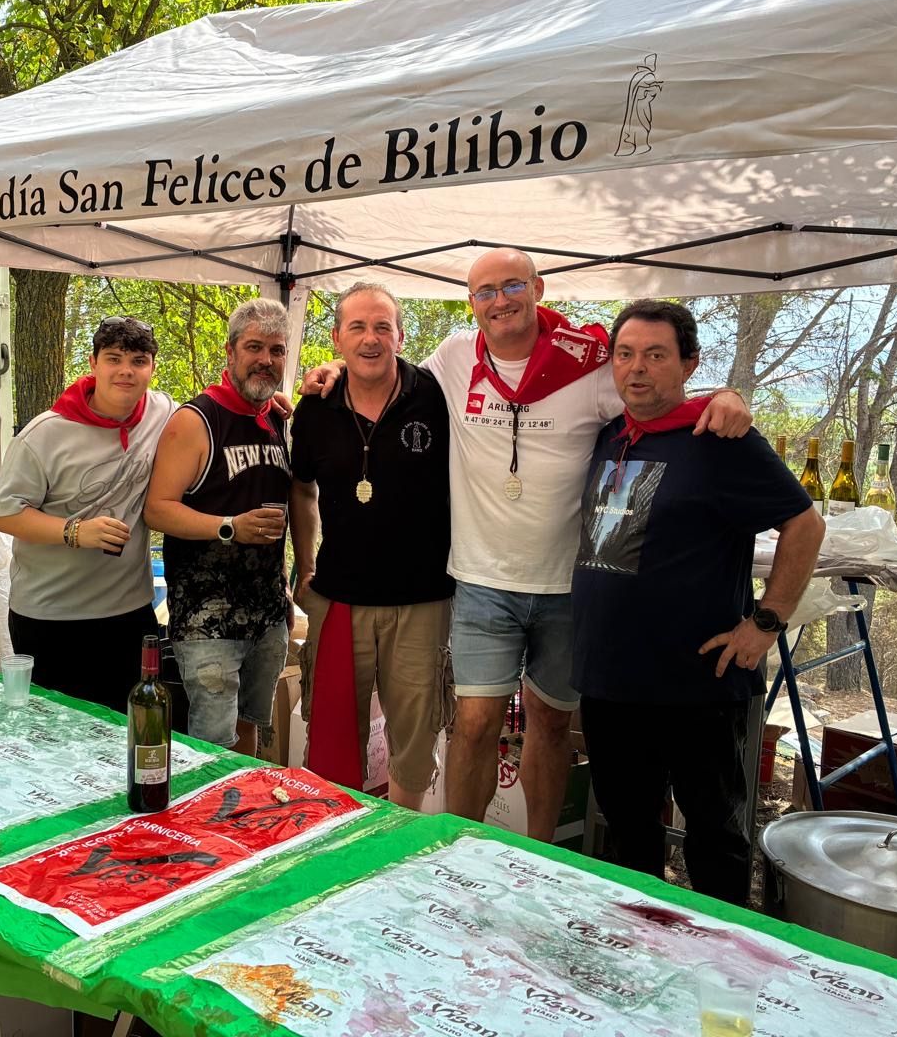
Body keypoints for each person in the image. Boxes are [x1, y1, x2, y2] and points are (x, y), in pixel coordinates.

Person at [307, 248, 751, 839]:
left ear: (538, 289)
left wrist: (725, 397)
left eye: (512, 285)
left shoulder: (588, 369)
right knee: (473, 723)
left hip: (567, 585)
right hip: (481, 580)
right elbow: (380, 368)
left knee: (548, 723)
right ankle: (457, 849)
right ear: (471, 304)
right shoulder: (454, 358)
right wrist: (330, 373)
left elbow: (656, 398)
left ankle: (541, 853)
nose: (500, 300)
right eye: (485, 291)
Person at [572, 299, 823, 904]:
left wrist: (765, 622)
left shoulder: (720, 439)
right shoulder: (612, 435)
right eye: (625, 354)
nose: (637, 368)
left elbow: (804, 524)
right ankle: (636, 946)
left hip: (698, 683)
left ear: (689, 364)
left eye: (656, 355)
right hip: (610, 680)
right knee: (628, 832)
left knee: (713, 835)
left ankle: (724, 962)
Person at [290, 282, 452, 807]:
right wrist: (305, 563)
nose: (371, 338)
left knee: (414, 744)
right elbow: (301, 487)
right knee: (335, 740)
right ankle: (337, 845)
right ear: (336, 338)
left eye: (383, 326)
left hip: (422, 600)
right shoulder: (313, 410)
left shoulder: (435, 395)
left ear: (401, 335)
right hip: (341, 600)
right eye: (357, 326)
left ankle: (401, 844)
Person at [0, 317, 172, 712]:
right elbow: (5, 514)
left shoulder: (163, 412)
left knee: (130, 732)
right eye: (114, 358)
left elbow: (211, 416)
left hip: (130, 614)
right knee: (54, 737)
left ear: (152, 369)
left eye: (139, 360)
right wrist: (75, 531)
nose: (126, 370)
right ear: (93, 364)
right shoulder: (44, 435)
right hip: (51, 618)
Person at [145, 298, 292, 754]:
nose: (265, 359)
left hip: (267, 614)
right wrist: (229, 527)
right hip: (208, 621)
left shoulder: (276, 419)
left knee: (249, 734)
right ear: (230, 353)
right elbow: (157, 509)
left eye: (277, 350)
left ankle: (237, 821)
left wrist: (289, 582)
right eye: (254, 347)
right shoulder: (195, 421)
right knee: (212, 749)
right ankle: (204, 826)